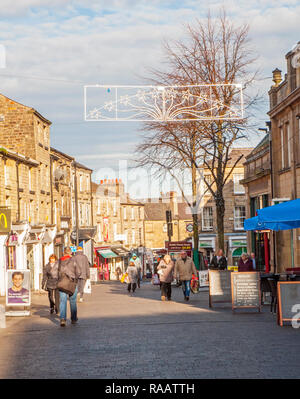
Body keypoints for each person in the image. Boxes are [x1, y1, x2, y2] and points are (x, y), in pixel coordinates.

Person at [58, 247, 80, 327]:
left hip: (62, 283)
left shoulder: (59, 261)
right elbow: (78, 272)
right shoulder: (74, 261)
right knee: (73, 301)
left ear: (64, 252)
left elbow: (53, 272)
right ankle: (73, 319)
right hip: (72, 283)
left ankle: (63, 319)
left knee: (63, 301)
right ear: (70, 253)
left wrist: (58, 278)